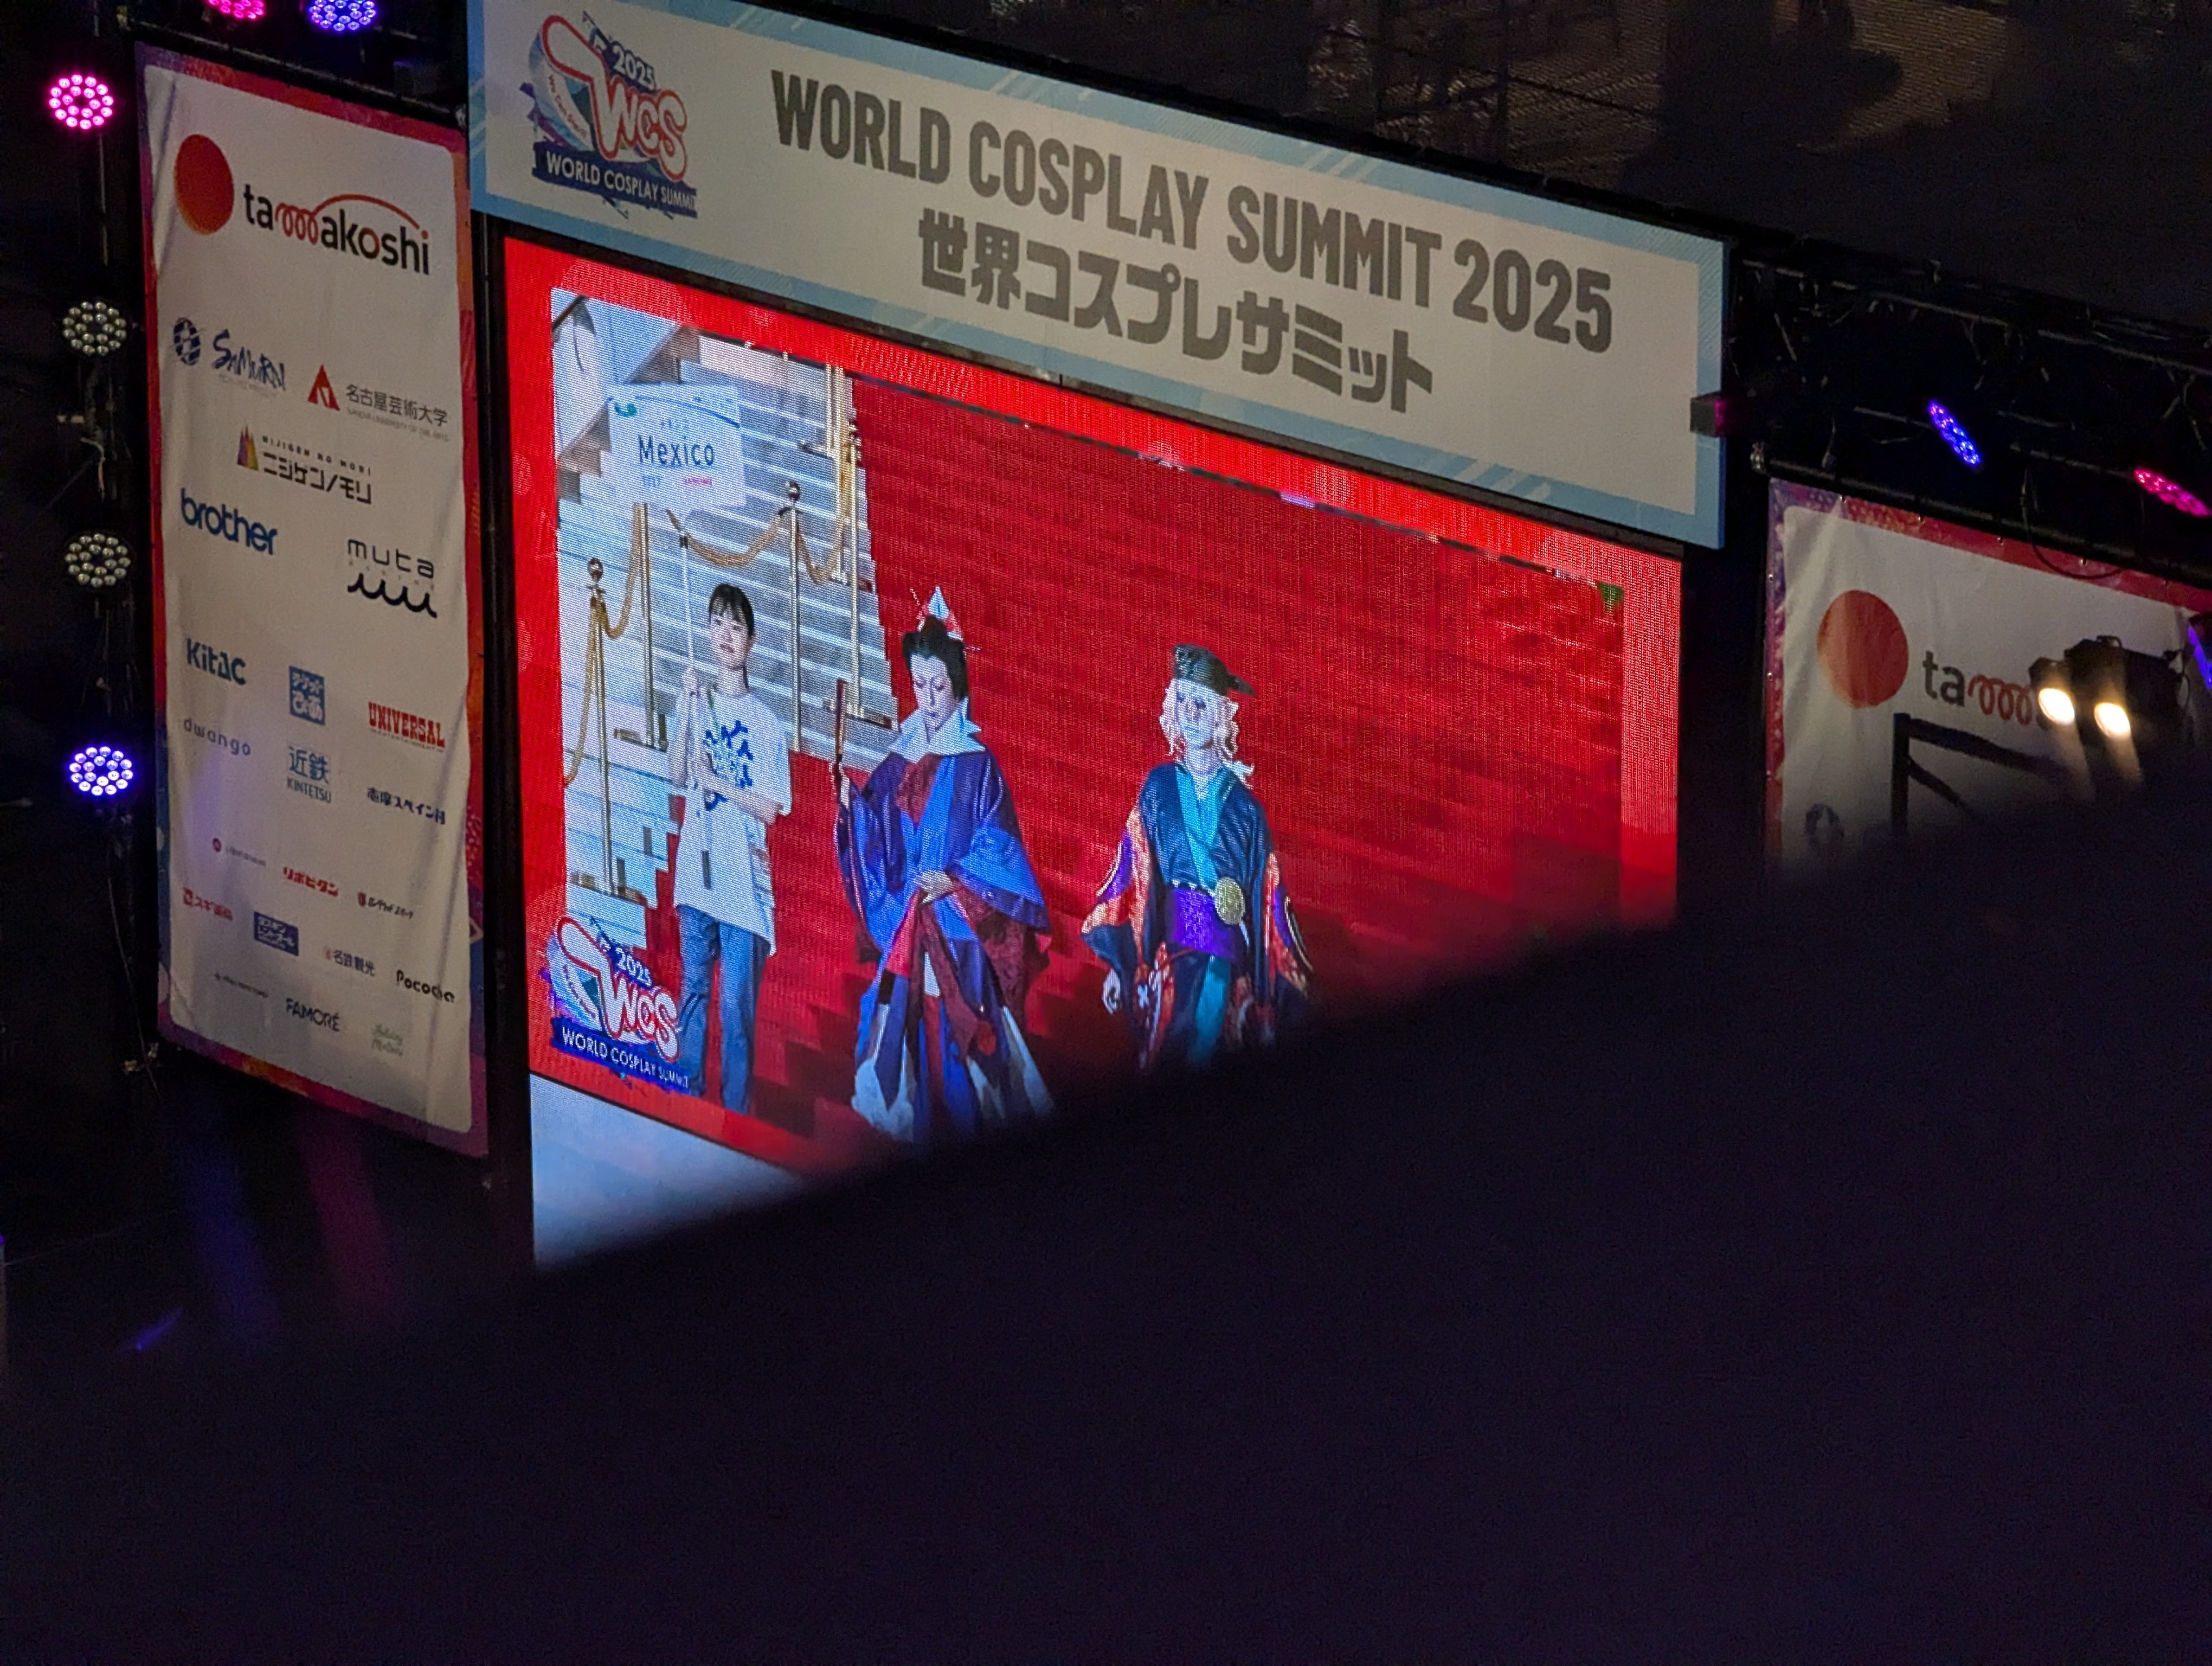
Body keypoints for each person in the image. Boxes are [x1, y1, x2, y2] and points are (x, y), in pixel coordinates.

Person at [834, 592, 1052, 1145]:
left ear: (957, 684)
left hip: (959, 926)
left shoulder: (979, 765)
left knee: (963, 1044)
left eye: (938, 686)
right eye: (920, 685)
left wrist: (954, 878)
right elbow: (877, 834)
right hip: (911, 923)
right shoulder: (898, 760)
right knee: (913, 1040)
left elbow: (999, 845)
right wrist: (851, 808)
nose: (929, 698)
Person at [1083, 644, 1312, 1073]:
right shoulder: (1158, 787)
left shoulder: (1246, 809)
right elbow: (1135, 873)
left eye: (1202, 704)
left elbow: (1266, 901)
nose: (1191, 713)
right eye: (1183, 701)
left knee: (1200, 1040)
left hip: (1224, 954)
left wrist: (1270, 995)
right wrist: (1121, 962)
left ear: (1221, 715)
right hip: (1170, 953)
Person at [667, 582, 791, 1112]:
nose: (725, 634)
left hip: (742, 881)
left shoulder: (766, 723)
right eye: (717, 623)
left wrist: (719, 783)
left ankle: (736, 1115)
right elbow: (678, 774)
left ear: (751, 640)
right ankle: (684, 1100)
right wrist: (686, 706)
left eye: (735, 626)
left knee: (737, 1008)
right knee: (693, 991)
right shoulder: (696, 700)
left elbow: (770, 808)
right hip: (698, 871)